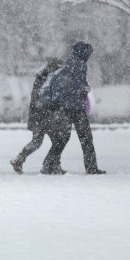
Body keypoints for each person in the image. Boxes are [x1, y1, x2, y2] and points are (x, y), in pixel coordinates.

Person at [39, 41, 106, 175]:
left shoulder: (71, 63)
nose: (89, 56)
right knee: (85, 138)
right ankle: (91, 167)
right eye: (89, 53)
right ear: (84, 53)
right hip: (73, 107)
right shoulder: (78, 65)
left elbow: (71, 84)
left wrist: (82, 88)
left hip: (66, 107)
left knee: (62, 138)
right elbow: (72, 85)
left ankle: (48, 164)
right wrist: (83, 89)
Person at [10, 57, 63, 174]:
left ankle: (19, 159)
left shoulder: (42, 78)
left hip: (39, 117)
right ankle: (52, 165)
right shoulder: (45, 80)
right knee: (57, 141)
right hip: (43, 117)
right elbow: (42, 100)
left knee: (39, 142)